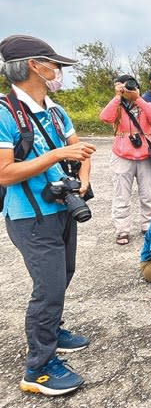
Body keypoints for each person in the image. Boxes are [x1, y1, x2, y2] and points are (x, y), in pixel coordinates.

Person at [0, 35, 96, 395]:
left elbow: (80, 151)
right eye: (53, 65)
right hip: (30, 216)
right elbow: (4, 173)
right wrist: (55, 157)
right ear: (32, 67)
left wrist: (82, 182)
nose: (58, 72)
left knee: (65, 273)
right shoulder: (4, 113)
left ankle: (53, 332)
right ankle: (37, 369)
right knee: (49, 288)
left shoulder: (55, 111)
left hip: (63, 208)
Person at [100, 74, 151, 245]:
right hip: (121, 154)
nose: (128, 89)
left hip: (146, 155)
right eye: (124, 86)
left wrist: (138, 99)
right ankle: (122, 230)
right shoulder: (117, 106)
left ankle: (148, 226)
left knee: (148, 194)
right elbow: (105, 117)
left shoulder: (145, 104)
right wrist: (118, 96)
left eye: (131, 86)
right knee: (121, 195)